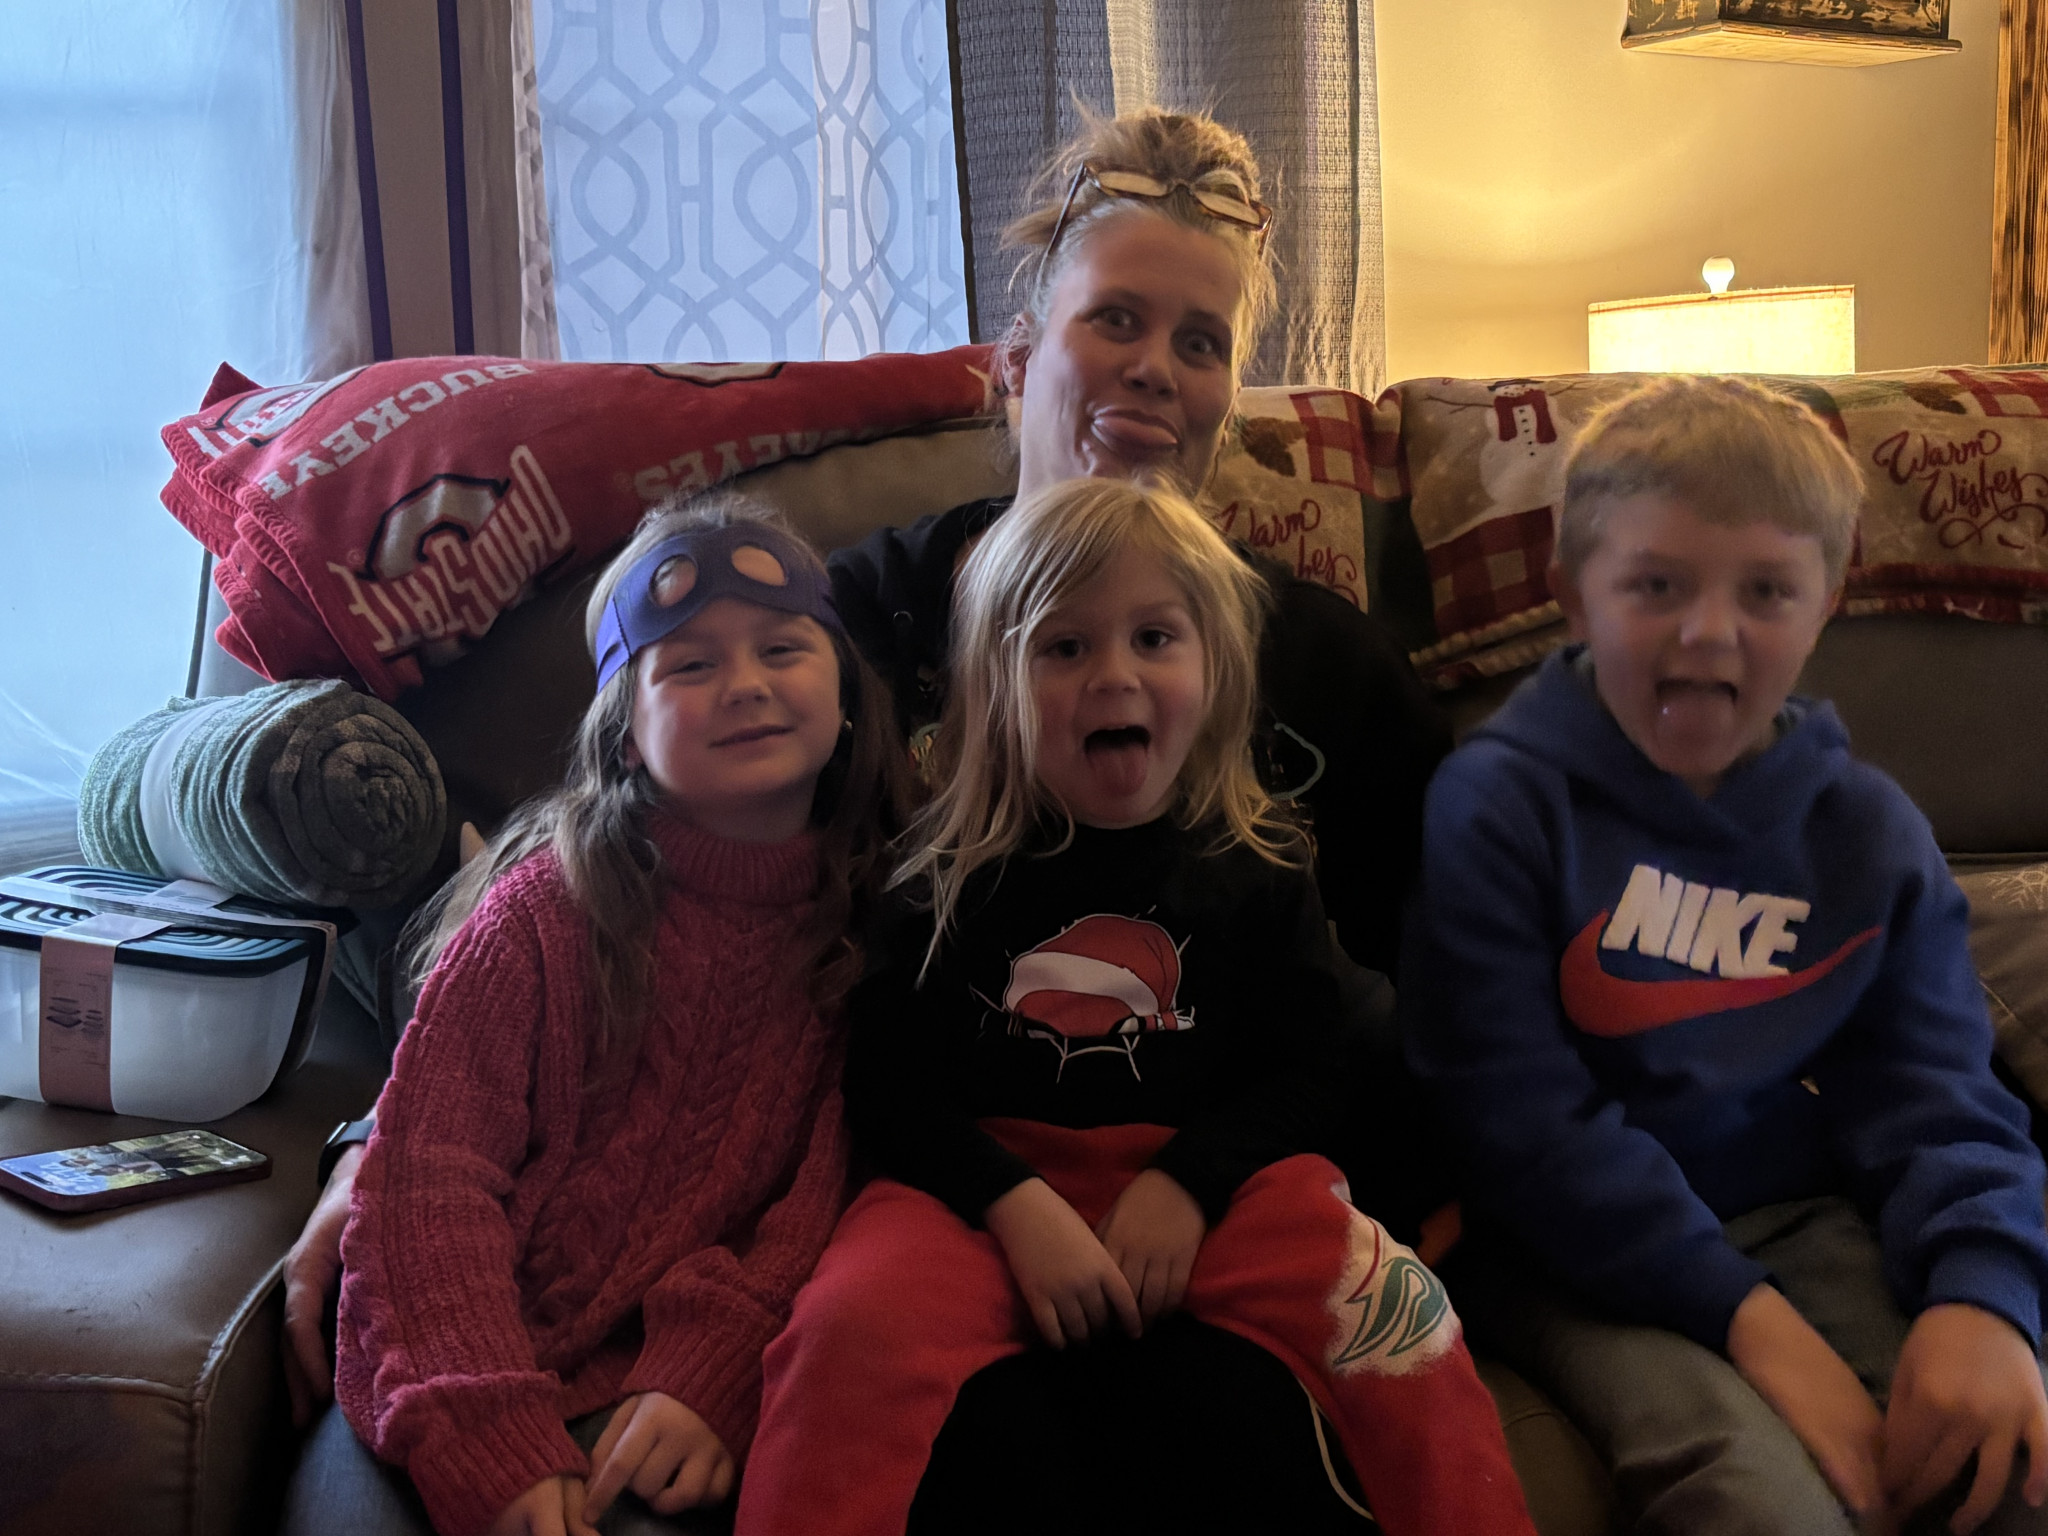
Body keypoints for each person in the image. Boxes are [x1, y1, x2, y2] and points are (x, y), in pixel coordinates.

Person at [735, 479, 1537, 1536]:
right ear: (994, 687)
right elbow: (887, 1084)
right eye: (1063, 647)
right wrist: (1011, 1202)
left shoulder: (1263, 869)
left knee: (1400, 1315)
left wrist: (1190, 1181)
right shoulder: (938, 878)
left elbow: (1313, 1069)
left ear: (1215, 669)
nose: (1114, 674)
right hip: (980, 1195)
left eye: (1153, 638)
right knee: (841, 1330)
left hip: (1220, 1184)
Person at [1405, 375, 2048, 1535]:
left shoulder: (1864, 832)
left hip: (1793, 1210)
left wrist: (1983, 1293)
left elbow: (1937, 1092)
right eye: (1655, 585)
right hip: (1560, 1249)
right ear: (1571, 595)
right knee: (1761, 1505)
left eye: (1764, 590)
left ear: (1825, 602)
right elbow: (1517, 1127)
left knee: (1992, 1468)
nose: (1708, 630)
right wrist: (1762, 1333)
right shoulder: (1495, 804)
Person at [287, 493, 904, 1536]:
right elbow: (427, 1175)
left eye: (781, 648)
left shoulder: (875, 929)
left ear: (845, 691)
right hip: (441, 1367)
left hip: (668, 1399)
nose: (745, 684)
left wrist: (711, 1369)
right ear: (624, 737)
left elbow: (822, 1200)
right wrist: (488, 1429)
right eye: (689, 665)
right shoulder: (543, 912)